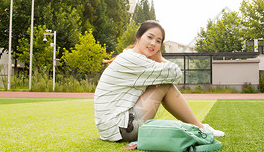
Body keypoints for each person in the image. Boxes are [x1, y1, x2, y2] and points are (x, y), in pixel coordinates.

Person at [94, 20, 225, 142]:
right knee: (165, 85)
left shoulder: (130, 56)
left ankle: (199, 126)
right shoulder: (132, 59)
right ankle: (200, 128)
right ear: (138, 37)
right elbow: (175, 73)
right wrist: (159, 58)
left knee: (161, 82)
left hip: (112, 128)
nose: (153, 43)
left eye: (158, 41)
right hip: (120, 129)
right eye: (149, 37)